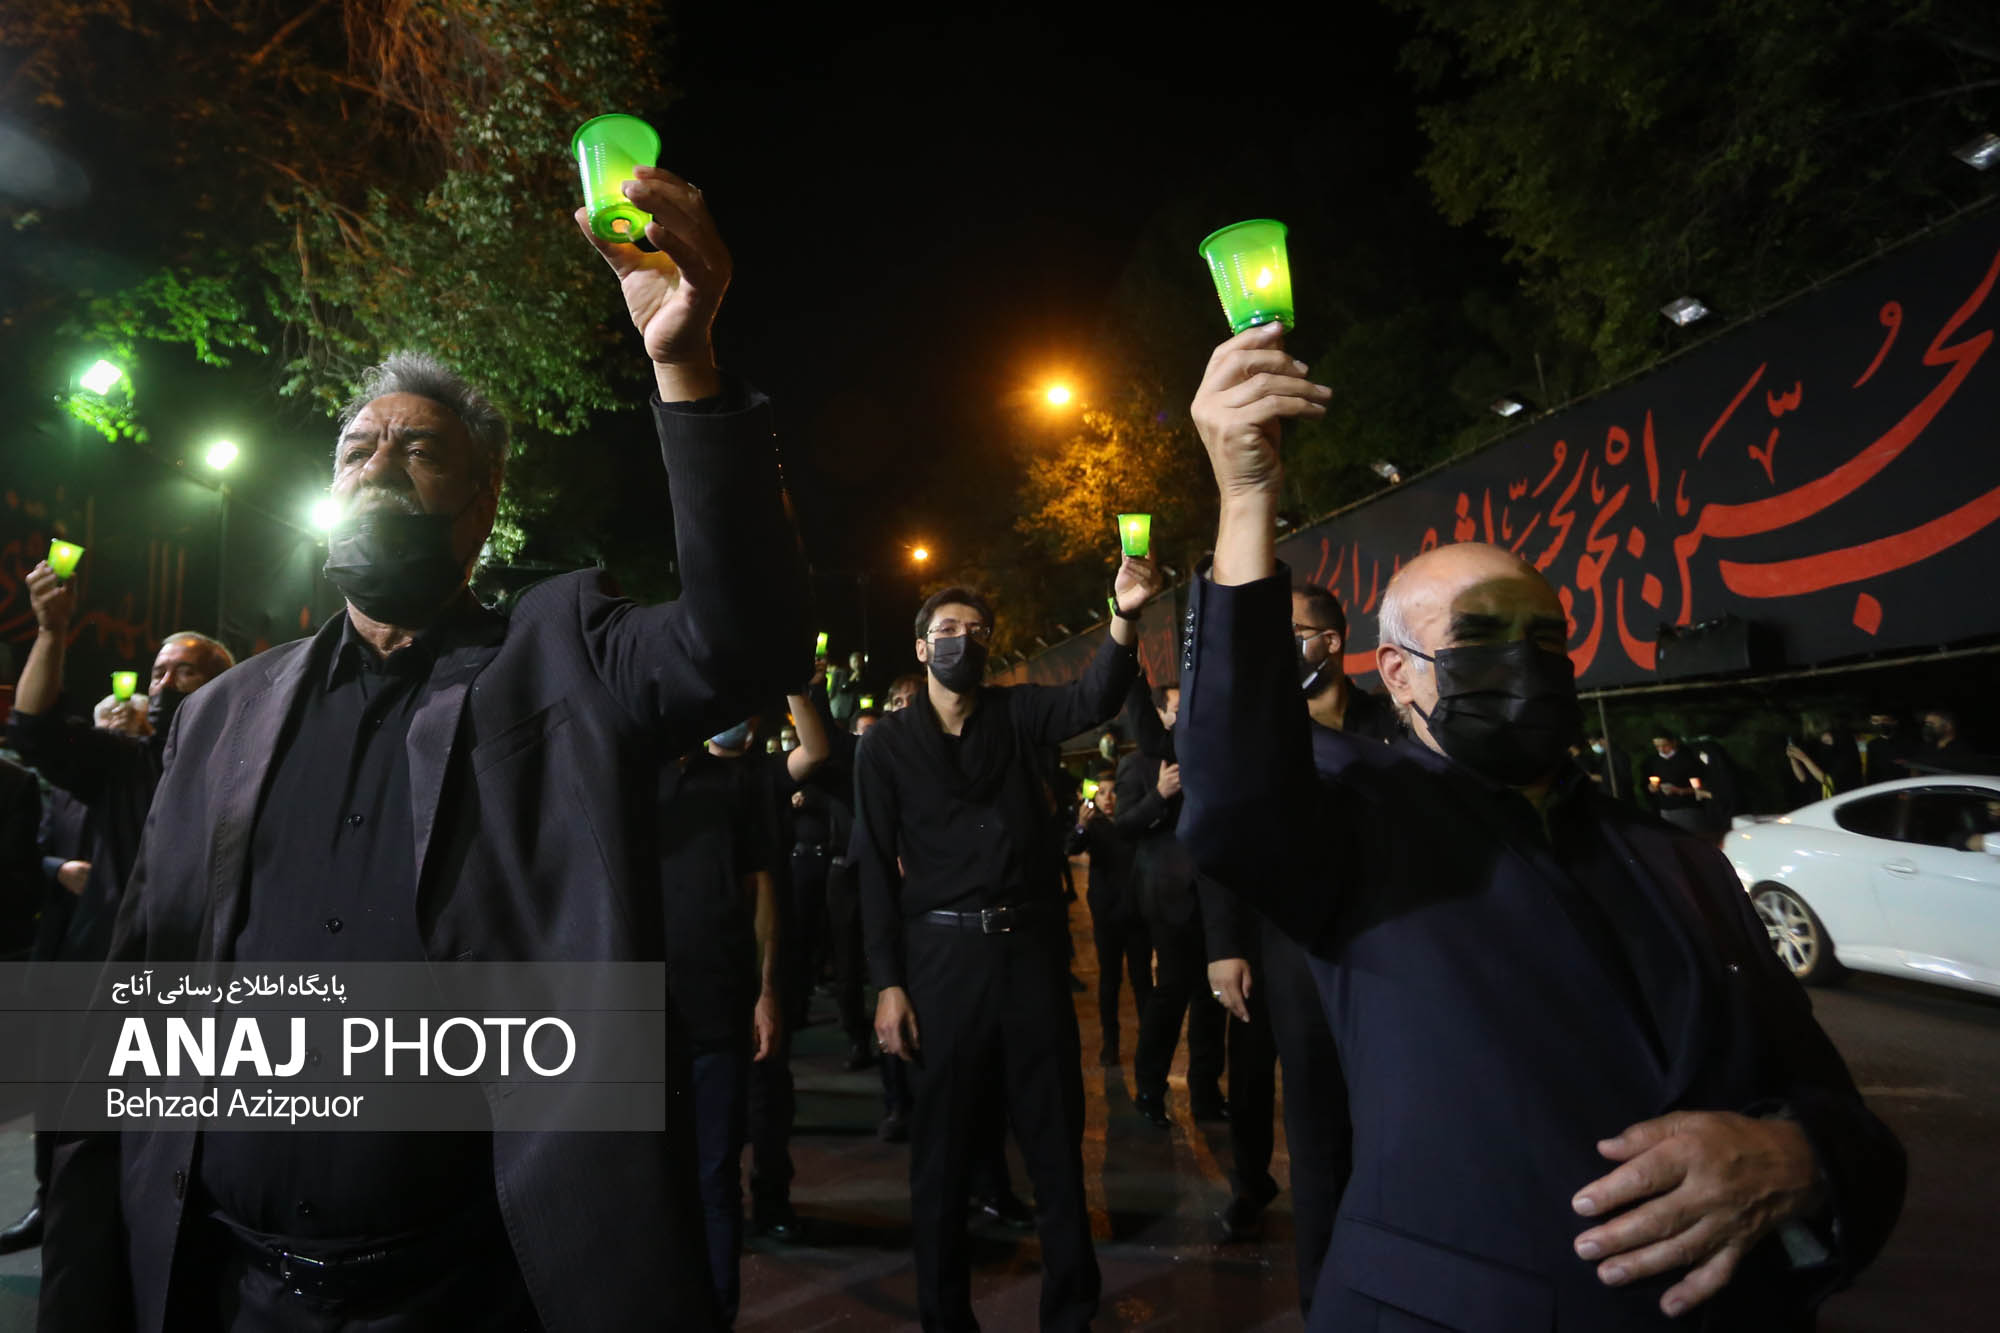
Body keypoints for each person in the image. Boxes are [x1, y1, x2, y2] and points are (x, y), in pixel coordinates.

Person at [40, 168, 809, 1333]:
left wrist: (684, 364)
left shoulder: (564, 656)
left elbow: (745, 643)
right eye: (356, 448)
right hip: (228, 1289)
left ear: (481, 501)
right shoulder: (221, 716)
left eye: (419, 450)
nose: (378, 465)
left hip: (474, 1291)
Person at [1176, 321, 1904, 1332]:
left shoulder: (1679, 861)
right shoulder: (1355, 820)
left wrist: (1800, 1156)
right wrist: (1247, 497)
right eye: (1478, 636)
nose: (1520, 660)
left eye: (1544, 636)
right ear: (1398, 676)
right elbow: (1233, 780)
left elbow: (1839, 1112)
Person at [856, 556, 1159, 1333]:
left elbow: (1094, 696)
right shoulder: (884, 748)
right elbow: (873, 870)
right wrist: (888, 983)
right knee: (942, 1157)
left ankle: (1070, 1314)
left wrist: (1124, 614)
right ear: (921, 646)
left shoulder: (1019, 713)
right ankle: (945, 1317)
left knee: (1055, 1144)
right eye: (946, 629)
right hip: (940, 964)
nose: (962, 640)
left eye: (975, 629)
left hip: (1029, 957)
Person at [1202, 584, 1395, 1289]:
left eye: (1290, 631)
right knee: (1310, 1124)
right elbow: (1222, 841)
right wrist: (1226, 946)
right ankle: (1323, 1286)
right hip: (1287, 947)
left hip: (1382, 946)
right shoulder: (1259, 733)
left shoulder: (1389, 722)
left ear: (1332, 641)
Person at [658, 733, 783, 1326]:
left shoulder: (735, 783)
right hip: (635, 1013)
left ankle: (716, 1317)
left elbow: (761, 890)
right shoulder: (622, 777)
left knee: (714, 1177)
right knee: (647, 1182)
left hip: (718, 1004)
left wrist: (765, 991)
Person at [704, 693, 832, 1244]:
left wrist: (797, 685)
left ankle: (771, 1194)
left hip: (766, 951)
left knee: (767, 1088)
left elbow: (816, 751)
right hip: (706, 959)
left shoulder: (763, 776)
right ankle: (716, 1205)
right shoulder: (684, 777)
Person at [1121, 682, 1228, 1129]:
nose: (1186, 715)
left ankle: (1206, 1093)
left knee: (1212, 999)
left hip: (1212, 898)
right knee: (1171, 996)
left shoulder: (1206, 757)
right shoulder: (1137, 765)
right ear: (1160, 716)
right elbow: (1123, 825)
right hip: (1168, 903)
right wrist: (1159, 795)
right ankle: (1149, 1088)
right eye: (1177, 709)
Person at [1064, 768, 1149, 1065]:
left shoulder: (1134, 821)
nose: (1108, 798)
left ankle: (1147, 1041)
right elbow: (1071, 847)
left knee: (1142, 980)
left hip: (1137, 912)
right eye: (1101, 793)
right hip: (1107, 915)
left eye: (1114, 792)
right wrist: (1081, 825)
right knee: (1110, 980)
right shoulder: (1094, 826)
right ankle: (1110, 1043)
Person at [1640, 731, 1712, 832]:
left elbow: (1699, 788)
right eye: (1657, 747)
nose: (1661, 749)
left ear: (1673, 743)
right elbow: (1647, 785)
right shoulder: (1652, 762)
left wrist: (1679, 791)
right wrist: (1651, 788)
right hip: (1664, 810)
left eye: (1665, 745)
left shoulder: (1687, 759)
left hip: (1687, 809)